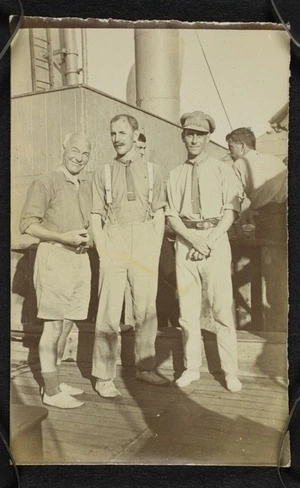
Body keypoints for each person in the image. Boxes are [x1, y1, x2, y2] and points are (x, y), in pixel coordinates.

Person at [91, 114, 169, 398]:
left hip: (146, 240)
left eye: (122, 133)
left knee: (146, 310)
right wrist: (103, 252)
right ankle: (103, 375)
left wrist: (154, 247)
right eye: (113, 133)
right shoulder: (103, 173)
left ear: (136, 135)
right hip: (114, 238)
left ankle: (145, 367)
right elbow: (95, 217)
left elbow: (159, 212)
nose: (117, 138)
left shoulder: (154, 171)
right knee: (109, 311)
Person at [165, 110, 242, 392]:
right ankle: (191, 367)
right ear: (183, 136)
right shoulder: (174, 174)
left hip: (215, 239)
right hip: (186, 242)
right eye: (189, 133)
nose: (194, 139)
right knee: (187, 312)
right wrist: (192, 239)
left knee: (222, 309)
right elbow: (172, 216)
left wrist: (207, 241)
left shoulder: (224, 170)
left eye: (199, 134)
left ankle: (230, 371)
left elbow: (230, 212)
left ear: (208, 138)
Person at [19, 132, 92, 409]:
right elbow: (27, 225)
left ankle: (55, 381)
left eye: (85, 154)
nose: (79, 158)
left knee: (67, 324)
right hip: (55, 256)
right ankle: (50, 392)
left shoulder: (83, 185)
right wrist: (63, 238)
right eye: (75, 151)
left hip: (79, 259)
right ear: (63, 147)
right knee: (53, 326)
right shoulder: (46, 182)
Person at [226, 127, 287, 240]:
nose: (230, 153)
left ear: (242, 146)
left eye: (231, 148)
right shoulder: (274, 159)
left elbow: (235, 199)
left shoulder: (239, 164)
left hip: (267, 220)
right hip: (286, 215)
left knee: (265, 253)